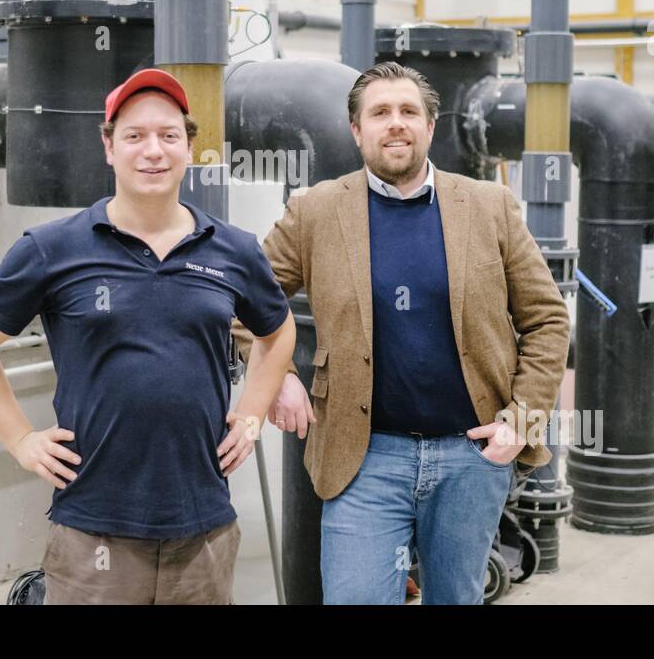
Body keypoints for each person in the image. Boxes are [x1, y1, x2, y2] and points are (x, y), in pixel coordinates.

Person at [0, 68, 295, 605]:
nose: (152, 151)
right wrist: (20, 439)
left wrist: (251, 416)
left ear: (189, 147)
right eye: (134, 136)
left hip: (202, 527)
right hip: (93, 533)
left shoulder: (234, 250)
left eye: (169, 135)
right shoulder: (54, 249)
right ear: (109, 147)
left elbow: (278, 331)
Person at [234, 61, 570, 604]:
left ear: (430, 127)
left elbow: (547, 319)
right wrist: (279, 379)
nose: (396, 123)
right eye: (380, 112)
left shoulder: (490, 207)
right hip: (362, 457)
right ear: (356, 130)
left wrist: (522, 422)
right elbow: (243, 302)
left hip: (471, 455)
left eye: (409, 111)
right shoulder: (315, 211)